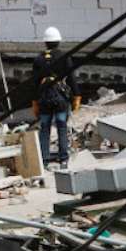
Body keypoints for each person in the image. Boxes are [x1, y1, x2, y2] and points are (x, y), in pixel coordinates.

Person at [31, 27, 81, 170]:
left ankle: (44, 160)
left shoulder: (38, 59)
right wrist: (76, 96)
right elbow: (71, 78)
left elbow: (34, 83)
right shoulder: (64, 57)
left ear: (45, 42)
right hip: (60, 98)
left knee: (45, 128)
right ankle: (63, 159)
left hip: (44, 97)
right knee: (61, 126)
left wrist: (34, 101)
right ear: (58, 41)